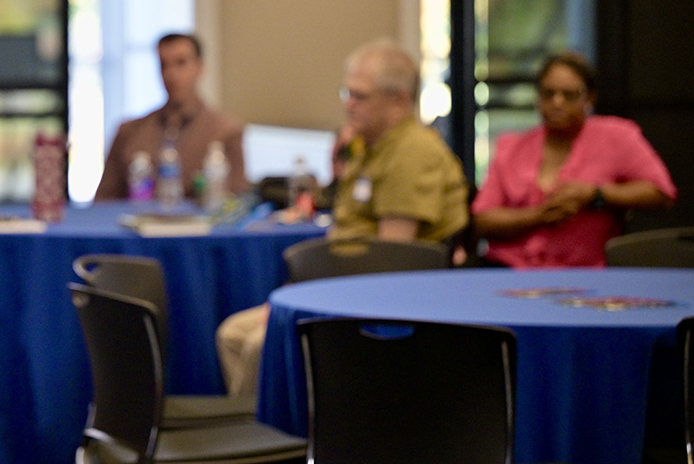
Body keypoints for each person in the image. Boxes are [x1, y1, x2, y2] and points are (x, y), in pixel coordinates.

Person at [216, 38, 468, 397]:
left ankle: (266, 444)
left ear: (398, 101)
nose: (348, 105)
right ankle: (265, 437)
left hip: (382, 300)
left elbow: (391, 260)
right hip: (341, 283)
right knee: (233, 334)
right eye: (346, 93)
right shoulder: (370, 146)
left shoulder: (413, 153)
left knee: (260, 344)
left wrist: (307, 296)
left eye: (360, 96)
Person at [471, 51, 676, 267]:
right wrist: (538, 216)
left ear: (589, 97)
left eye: (569, 95)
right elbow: (483, 220)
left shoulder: (617, 137)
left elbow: (661, 193)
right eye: (548, 94)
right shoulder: (511, 147)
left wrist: (596, 195)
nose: (557, 103)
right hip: (508, 270)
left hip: (583, 275)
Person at [94, 32, 248, 201]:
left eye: (181, 63)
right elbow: (103, 201)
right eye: (163, 65)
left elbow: (237, 203)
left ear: (200, 67)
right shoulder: (130, 131)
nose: (171, 74)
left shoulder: (226, 132)